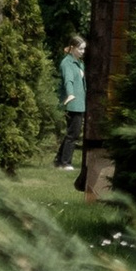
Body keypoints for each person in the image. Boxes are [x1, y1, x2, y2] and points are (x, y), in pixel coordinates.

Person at [58, 34, 87, 172]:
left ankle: (59, 160)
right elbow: (68, 80)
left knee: (71, 132)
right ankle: (65, 163)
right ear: (73, 48)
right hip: (73, 103)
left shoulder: (79, 63)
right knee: (73, 134)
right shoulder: (67, 63)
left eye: (84, 49)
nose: (83, 52)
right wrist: (70, 95)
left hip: (80, 103)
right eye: (80, 49)